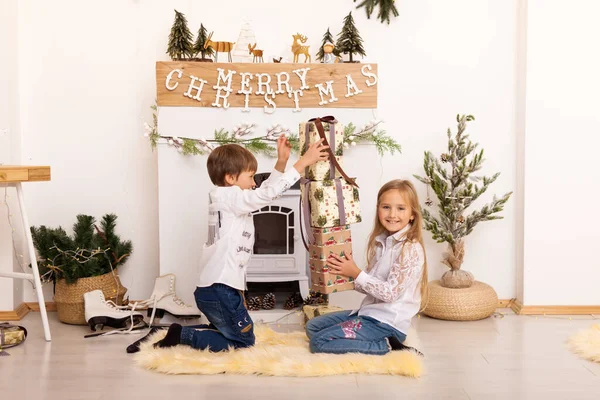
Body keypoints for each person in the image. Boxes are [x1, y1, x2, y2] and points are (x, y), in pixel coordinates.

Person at [151, 135, 329, 351]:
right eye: (251, 176)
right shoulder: (230, 198)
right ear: (230, 178)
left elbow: (265, 193)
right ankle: (184, 335)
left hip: (216, 289)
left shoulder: (225, 198)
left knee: (238, 331)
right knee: (244, 342)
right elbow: (267, 194)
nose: (254, 183)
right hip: (220, 290)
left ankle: (190, 331)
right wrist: (303, 162)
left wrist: (281, 163)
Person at [305, 179, 428, 355]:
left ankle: (386, 346)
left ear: (412, 214)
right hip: (368, 313)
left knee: (318, 342)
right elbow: (370, 286)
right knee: (313, 327)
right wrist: (343, 272)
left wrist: (356, 273)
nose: (392, 214)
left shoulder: (409, 248)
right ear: (378, 209)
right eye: (386, 207)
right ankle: (360, 336)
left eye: (401, 208)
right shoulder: (381, 243)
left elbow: (390, 293)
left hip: (386, 323)